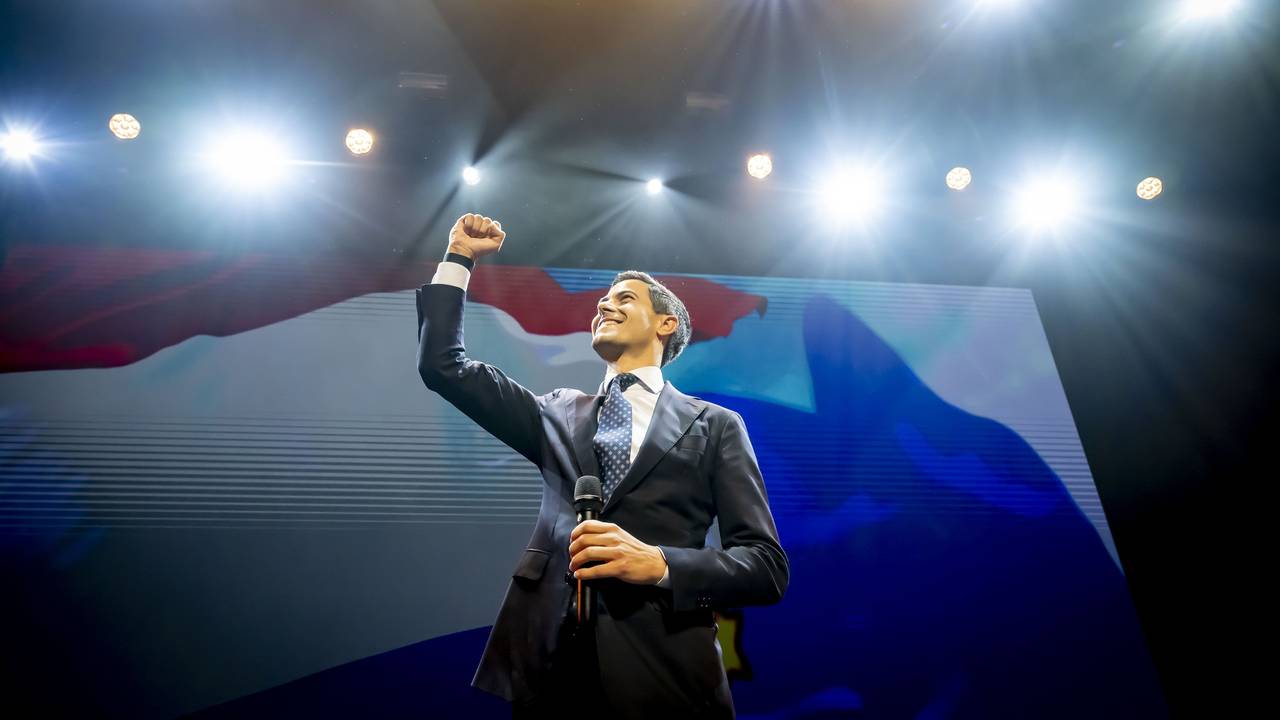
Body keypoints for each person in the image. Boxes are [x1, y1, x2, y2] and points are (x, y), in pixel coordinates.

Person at [415, 213, 789, 718]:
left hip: (666, 675)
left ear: (666, 323)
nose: (605, 305)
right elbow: (444, 366)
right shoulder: (556, 412)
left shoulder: (716, 424)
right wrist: (458, 258)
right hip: (550, 673)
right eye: (602, 301)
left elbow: (764, 567)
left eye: (625, 298)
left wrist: (660, 564)